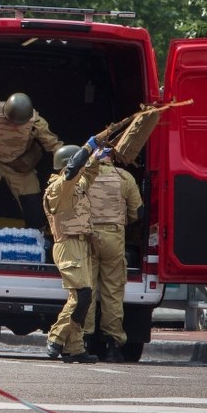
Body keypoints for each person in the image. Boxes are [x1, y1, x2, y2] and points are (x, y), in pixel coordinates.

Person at [0, 92, 63, 263]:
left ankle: (40, 246)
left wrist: (68, 161)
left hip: (19, 165)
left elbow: (53, 144)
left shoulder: (36, 123)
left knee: (33, 206)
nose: (15, 126)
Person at [43, 137, 101, 364]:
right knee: (82, 296)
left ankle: (74, 348)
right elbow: (74, 170)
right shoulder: (58, 188)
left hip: (82, 244)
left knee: (80, 297)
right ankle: (56, 337)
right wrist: (88, 147)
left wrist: (97, 157)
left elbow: (87, 175)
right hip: (67, 244)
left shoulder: (75, 184)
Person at [83, 148, 143, 362]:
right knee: (112, 293)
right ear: (112, 158)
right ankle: (112, 345)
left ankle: (84, 342)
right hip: (114, 238)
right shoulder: (124, 177)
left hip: (87, 237)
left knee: (86, 291)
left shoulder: (83, 174)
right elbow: (137, 212)